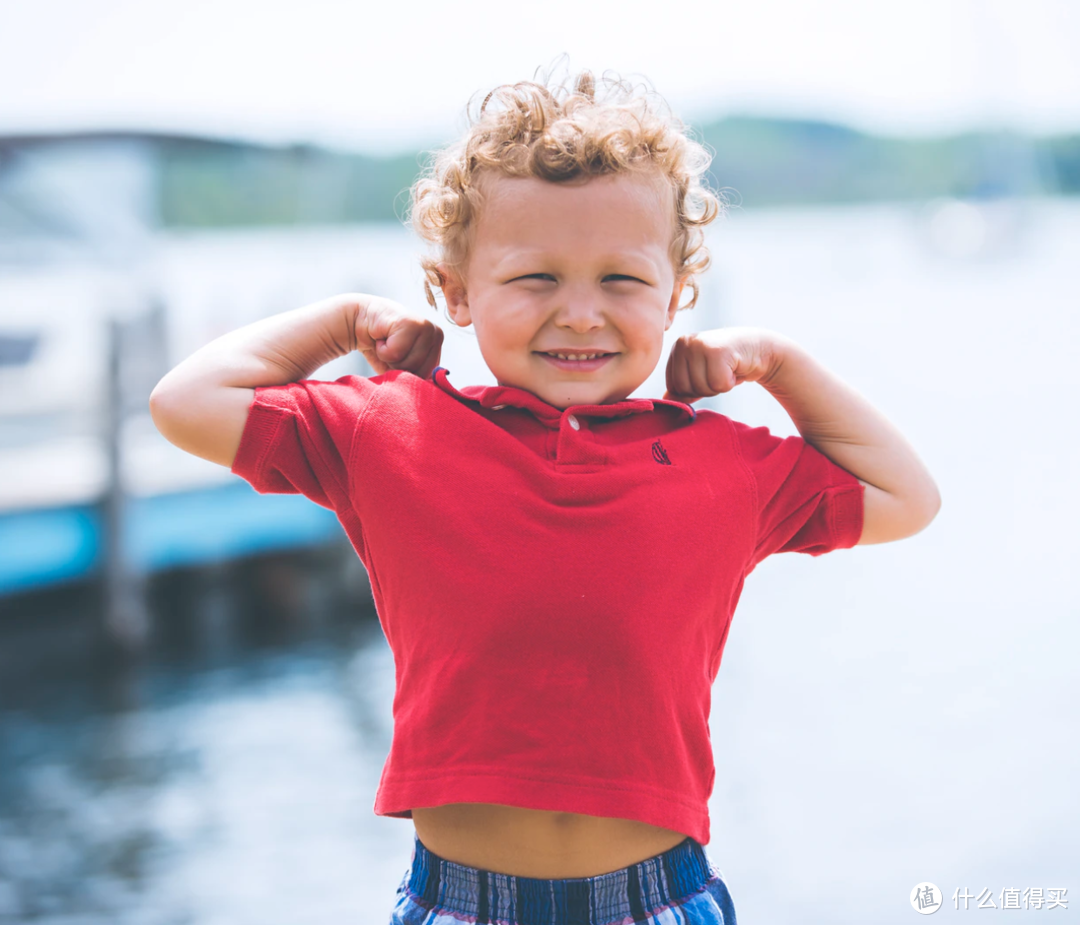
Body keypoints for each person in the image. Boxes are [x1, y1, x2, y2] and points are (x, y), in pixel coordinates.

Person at [149, 65, 941, 925]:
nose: (580, 313)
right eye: (535, 279)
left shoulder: (724, 461)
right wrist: (342, 321)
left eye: (622, 280)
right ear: (455, 290)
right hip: (458, 902)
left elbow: (906, 496)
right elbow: (184, 404)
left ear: (676, 294)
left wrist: (780, 364)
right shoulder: (389, 430)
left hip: (658, 896)